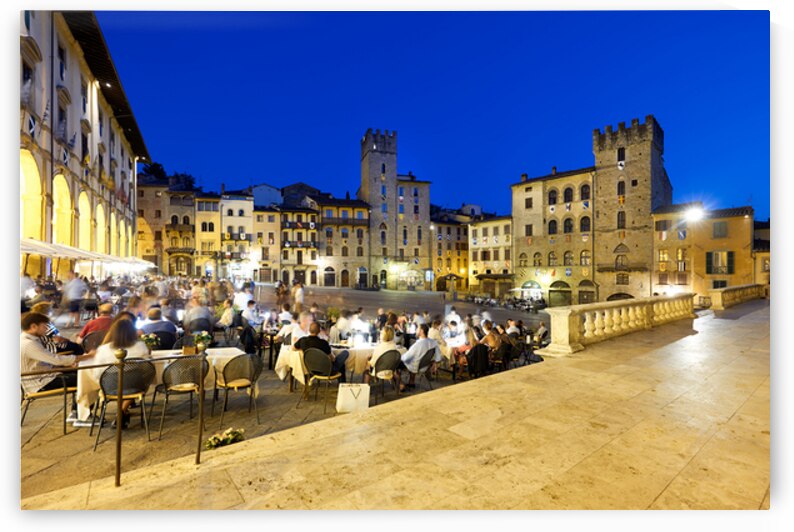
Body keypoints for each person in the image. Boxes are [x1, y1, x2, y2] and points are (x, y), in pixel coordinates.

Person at [21, 313, 94, 422]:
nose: (46, 329)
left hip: (42, 376)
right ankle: (82, 416)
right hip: (41, 382)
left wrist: (67, 364)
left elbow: (46, 361)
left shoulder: (28, 339)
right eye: (44, 326)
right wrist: (90, 356)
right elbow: (55, 358)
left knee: (80, 374)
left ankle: (76, 412)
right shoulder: (28, 344)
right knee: (87, 380)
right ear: (33, 326)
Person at [82, 319, 150, 428]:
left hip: (110, 387)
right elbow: (146, 369)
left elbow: (97, 374)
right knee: (134, 381)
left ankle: (121, 412)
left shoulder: (103, 350)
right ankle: (122, 412)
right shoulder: (140, 346)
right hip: (134, 386)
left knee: (122, 382)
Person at [398, 324, 441, 389]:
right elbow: (438, 357)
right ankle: (411, 382)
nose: (416, 330)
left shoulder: (417, 345)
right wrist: (435, 362)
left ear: (421, 331)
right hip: (425, 366)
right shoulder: (434, 342)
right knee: (415, 359)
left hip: (416, 367)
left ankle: (401, 384)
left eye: (417, 329)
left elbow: (405, 358)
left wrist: (400, 356)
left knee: (397, 364)